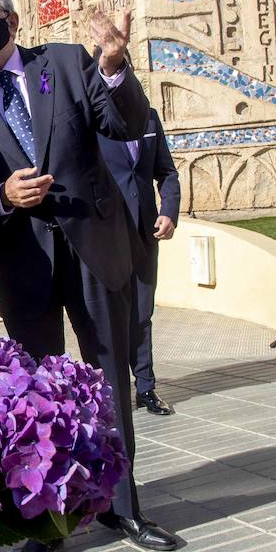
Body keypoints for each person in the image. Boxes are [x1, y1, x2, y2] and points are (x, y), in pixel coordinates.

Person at [0, 0, 177, 552]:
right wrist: (1, 193)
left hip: (94, 241)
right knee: (35, 394)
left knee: (109, 379)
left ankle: (123, 507)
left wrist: (117, 66)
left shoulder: (68, 63)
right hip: (21, 258)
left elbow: (127, 125)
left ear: (13, 20)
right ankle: (48, 520)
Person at [98, 108, 180, 416]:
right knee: (108, 315)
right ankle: (109, 391)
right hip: (106, 236)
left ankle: (145, 387)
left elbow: (167, 172)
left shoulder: (148, 117)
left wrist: (169, 212)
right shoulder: (89, 119)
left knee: (142, 313)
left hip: (146, 232)